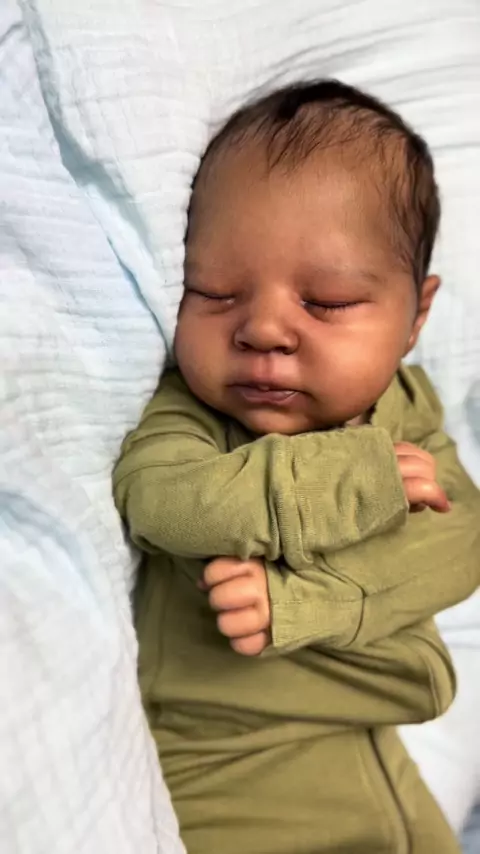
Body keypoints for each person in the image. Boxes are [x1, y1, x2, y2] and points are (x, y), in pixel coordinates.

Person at [113, 80, 480, 854]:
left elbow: (460, 540)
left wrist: (306, 602)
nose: (264, 330)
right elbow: (161, 499)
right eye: (215, 293)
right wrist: (348, 484)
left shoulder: (407, 407)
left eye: (327, 301)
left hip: (381, 762)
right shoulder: (195, 413)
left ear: (415, 317)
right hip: (236, 775)